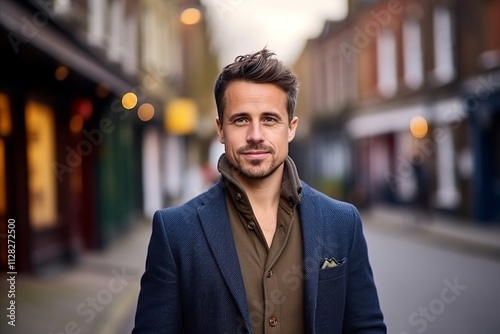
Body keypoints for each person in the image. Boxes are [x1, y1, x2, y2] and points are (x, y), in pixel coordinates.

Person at [133, 48, 386, 334]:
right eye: (241, 119)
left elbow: (367, 327)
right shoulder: (175, 232)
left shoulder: (342, 222)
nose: (255, 135)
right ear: (220, 129)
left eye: (269, 119)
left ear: (290, 128)